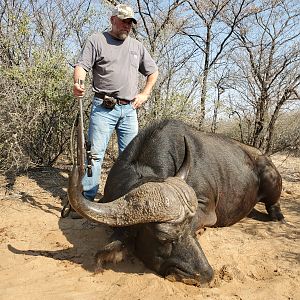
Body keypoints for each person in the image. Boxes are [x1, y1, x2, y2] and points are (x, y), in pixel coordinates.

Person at [73, 4, 159, 203]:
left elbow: (153, 72)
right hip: (104, 107)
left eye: (130, 22)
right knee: (94, 154)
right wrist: (78, 83)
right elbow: (81, 66)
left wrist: (144, 94)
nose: (127, 26)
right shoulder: (97, 40)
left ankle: (125, 198)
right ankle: (87, 199)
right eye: (123, 21)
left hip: (129, 109)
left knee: (131, 158)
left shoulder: (137, 46)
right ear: (112, 19)